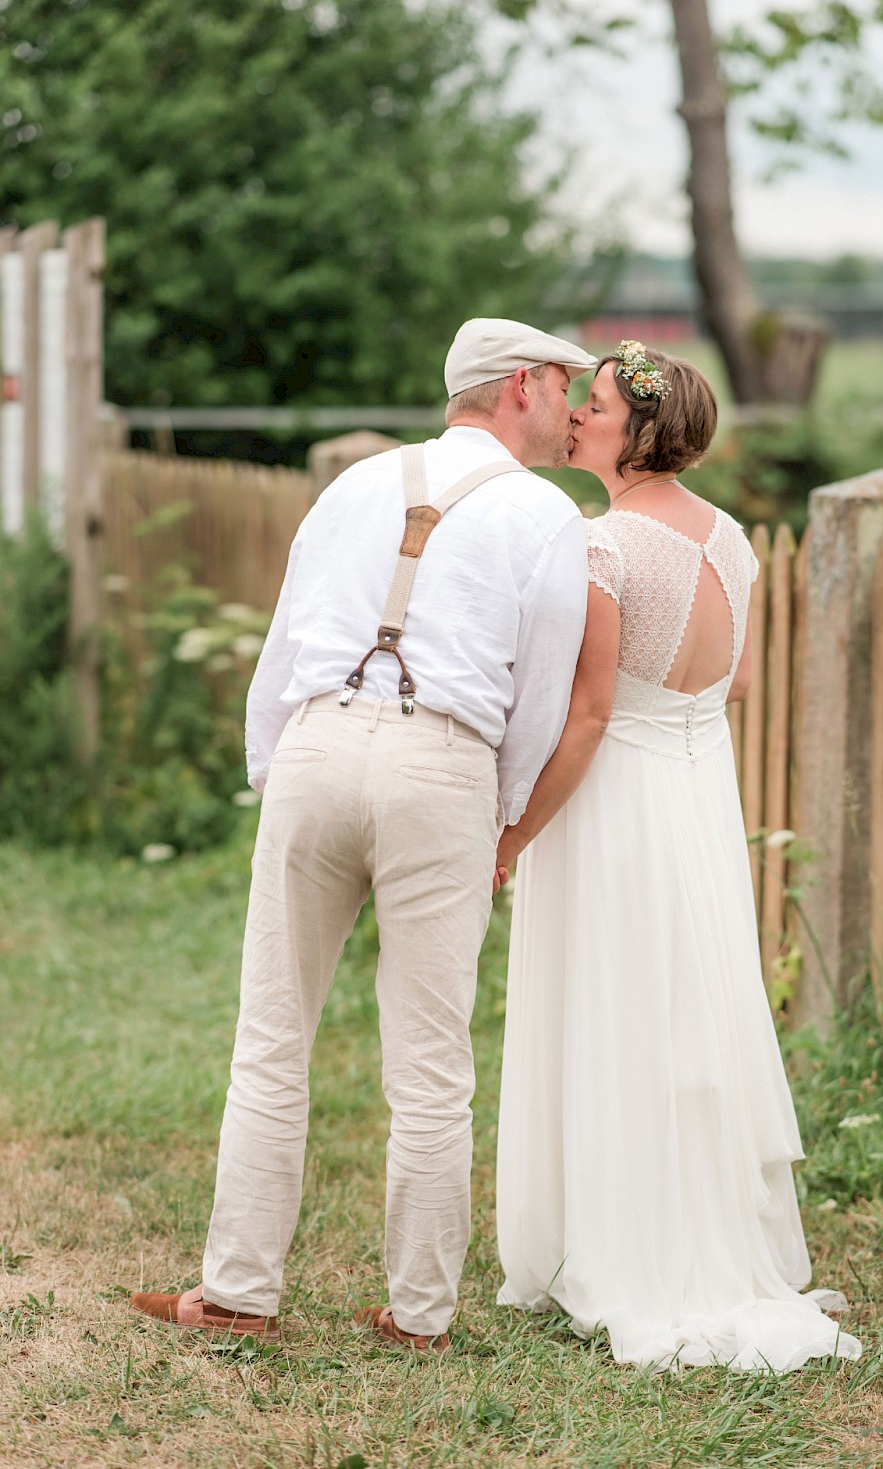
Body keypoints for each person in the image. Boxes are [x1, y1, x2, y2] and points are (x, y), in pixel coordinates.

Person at [130, 317, 597, 1353]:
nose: (572, 407)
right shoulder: (543, 515)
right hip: (444, 763)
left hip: (314, 743)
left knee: (271, 1032)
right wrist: (499, 821)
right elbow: (538, 696)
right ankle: (420, 1313)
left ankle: (239, 1287)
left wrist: (275, 768)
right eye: (564, 386)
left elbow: (286, 637)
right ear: (520, 386)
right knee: (430, 1060)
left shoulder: (355, 483)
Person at [494, 341, 863, 1373]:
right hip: (698, 799)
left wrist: (513, 833)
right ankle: (693, 1226)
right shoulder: (733, 540)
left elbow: (591, 714)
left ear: (642, 430)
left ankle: (614, 1242)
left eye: (597, 404)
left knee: (611, 1004)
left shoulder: (602, 545)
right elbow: (728, 686)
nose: (578, 416)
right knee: (684, 1011)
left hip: (614, 804)